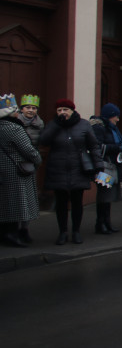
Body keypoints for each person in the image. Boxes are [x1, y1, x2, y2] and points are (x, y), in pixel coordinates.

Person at [39, 98, 101, 244]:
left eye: (65, 110)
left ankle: (76, 231)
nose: (62, 112)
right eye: (59, 110)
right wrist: (56, 125)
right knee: (61, 203)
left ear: (72, 111)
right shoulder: (53, 124)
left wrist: (98, 164)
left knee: (77, 202)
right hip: (58, 169)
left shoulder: (83, 124)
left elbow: (93, 145)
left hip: (78, 168)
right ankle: (62, 232)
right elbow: (43, 140)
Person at [0, 93, 41, 247]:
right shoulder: (14, 128)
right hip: (16, 172)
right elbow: (29, 151)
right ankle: (12, 235)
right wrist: (38, 160)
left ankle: (3, 234)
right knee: (16, 205)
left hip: (2, 172)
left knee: (4, 205)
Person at [90, 103, 122, 235]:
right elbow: (98, 147)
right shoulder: (98, 128)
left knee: (108, 197)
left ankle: (107, 222)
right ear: (110, 116)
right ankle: (100, 223)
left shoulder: (113, 129)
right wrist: (117, 148)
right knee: (103, 196)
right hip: (103, 167)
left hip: (113, 166)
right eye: (116, 116)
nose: (117, 119)